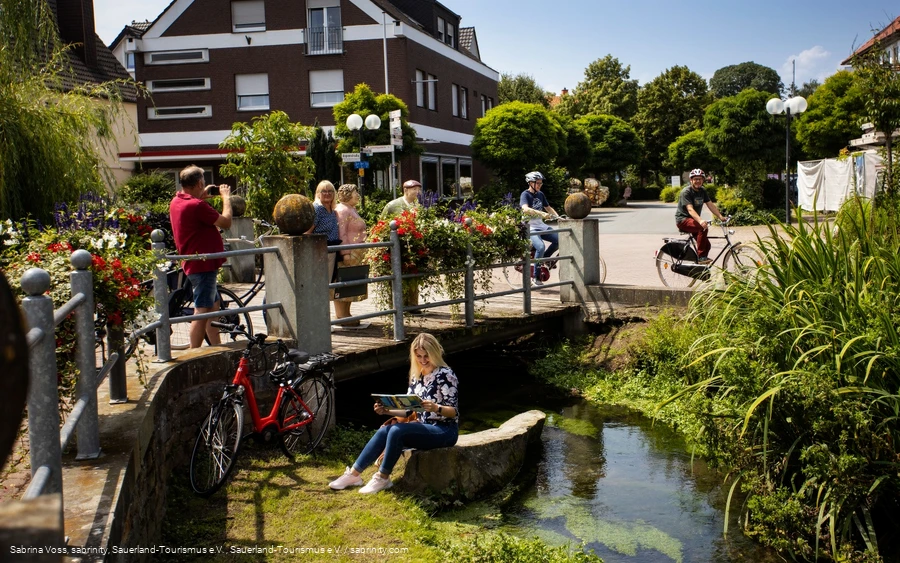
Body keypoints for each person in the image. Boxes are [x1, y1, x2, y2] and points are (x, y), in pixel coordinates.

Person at [328, 333, 459, 494]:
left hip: (445, 430)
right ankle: (354, 475)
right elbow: (407, 411)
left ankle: (383, 478)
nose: (423, 360)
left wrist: (436, 408)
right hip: (424, 426)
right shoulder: (416, 375)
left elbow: (453, 412)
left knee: (397, 431)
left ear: (435, 354)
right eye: (419, 356)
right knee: (385, 430)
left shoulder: (446, 374)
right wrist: (386, 410)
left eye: (427, 356)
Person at [169, 165, 233, 348]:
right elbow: (226, 222)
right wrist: (226, 198)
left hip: (196, 262)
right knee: (202, 310)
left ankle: (216, 347)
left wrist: (199, 195)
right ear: (198, 183)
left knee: (212, 309)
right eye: (203, 183)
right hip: (203, 265)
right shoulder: (197, 205)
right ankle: (193, 354)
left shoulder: (177, 201)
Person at [334, 183, 369, 329]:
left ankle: (346, 313)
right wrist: (346, 253)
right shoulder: (342, 210)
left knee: (351, 282)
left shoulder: (351, 209)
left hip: (357, 252)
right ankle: (341, 314)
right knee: (345, 281)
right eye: (355, 193)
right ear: (347, 194)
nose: (358, 195)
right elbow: (341, 233)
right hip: (350, 252)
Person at [675, 169, 726, 263]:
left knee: (707, 246)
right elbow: (690, 209)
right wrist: (700, 220)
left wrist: (721, 217)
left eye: (700, 179)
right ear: (691, 180)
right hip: (683, 220)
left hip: (693, 221)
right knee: (702, 228)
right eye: (695, 179)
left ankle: (700, 269)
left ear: (703, 180)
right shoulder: (686, 192)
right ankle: (701, 257)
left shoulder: (702, 191)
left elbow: (710, 204)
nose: (698, 181)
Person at [519, 171, 559, 286]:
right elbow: (525, 209)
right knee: (540, 247)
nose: (539, 185)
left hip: (541, 226)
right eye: (537, 183)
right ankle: (536, 277)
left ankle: (544, 258)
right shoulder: (525, 194)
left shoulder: (540, 194)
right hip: (530, 227)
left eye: (541, 183)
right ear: (530, 183)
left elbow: (548, 208)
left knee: (560, 240)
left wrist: (558, 217)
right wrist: (541, 214)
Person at [306, 180, 341, 296]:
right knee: (322, 284)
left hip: (331, 250)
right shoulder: (318, 208)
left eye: (330, 191)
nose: (327, 193)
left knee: (328, 284)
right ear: (318, 193)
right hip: (322, 251)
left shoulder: (331, 209)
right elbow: (309, 231)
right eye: (324, 191)